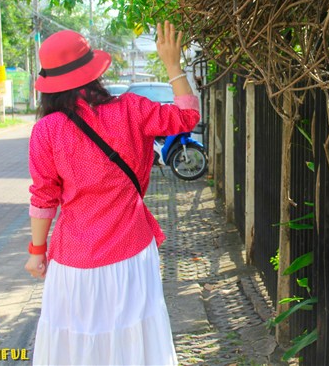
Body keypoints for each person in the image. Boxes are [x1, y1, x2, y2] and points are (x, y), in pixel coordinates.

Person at [24, 21, 199, 365]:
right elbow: (187, 116)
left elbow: (43, 198)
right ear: (94, 72)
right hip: (132, 252)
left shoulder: (46, 130)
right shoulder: (132, 109)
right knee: (134, 338)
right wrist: (172, 65)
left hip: (75, 260)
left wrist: (37, 252)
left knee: (77, 343)